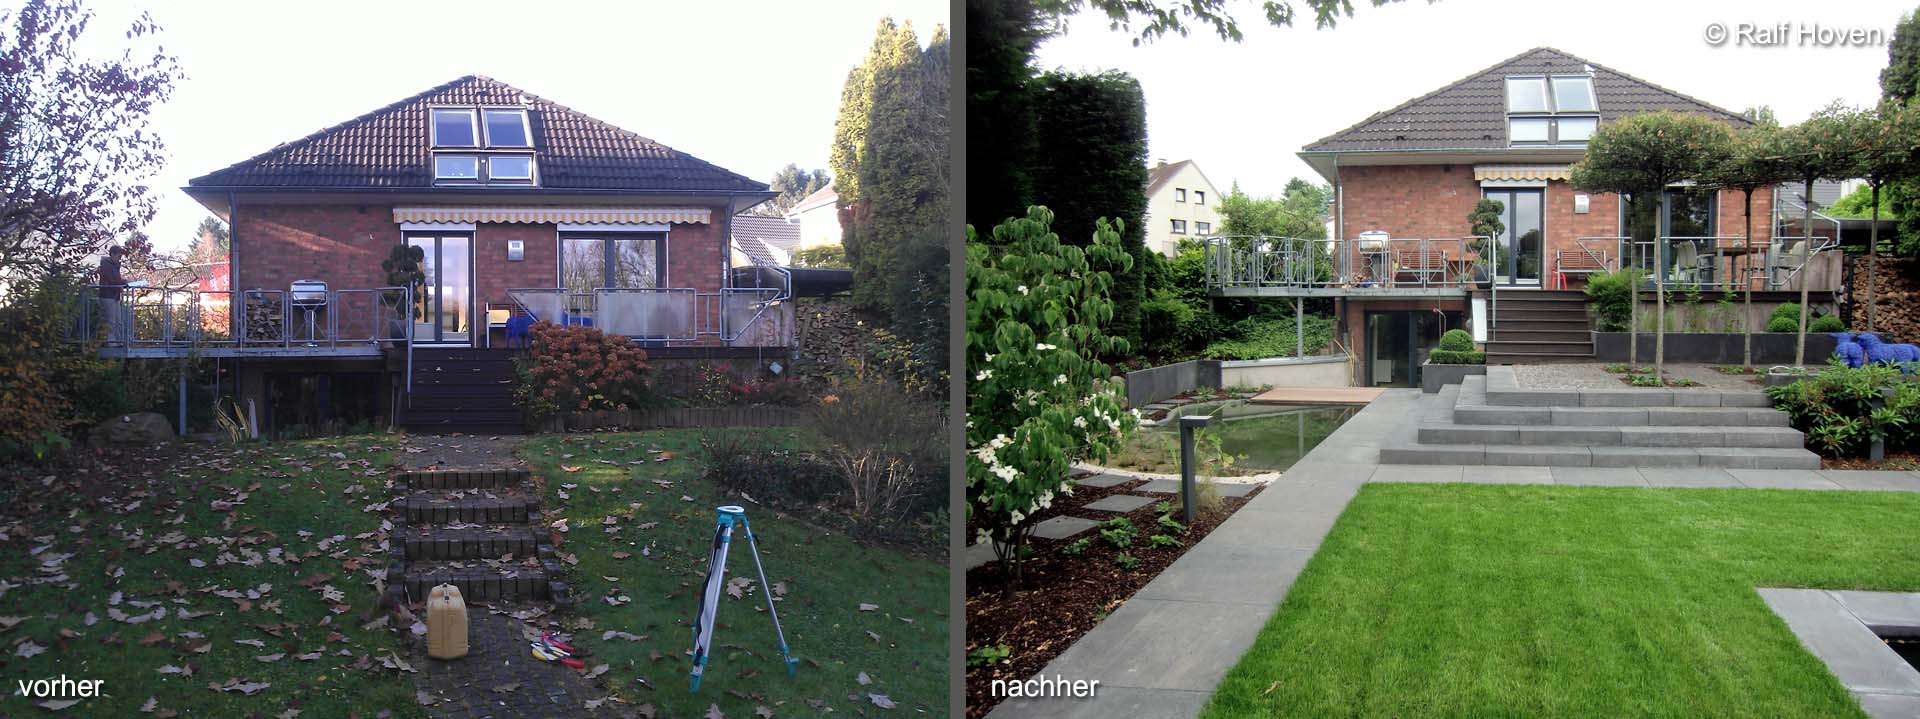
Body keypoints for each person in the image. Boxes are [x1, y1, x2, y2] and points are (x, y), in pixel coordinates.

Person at [97, 246, 127, 344]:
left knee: (118, 321)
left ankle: (118, 341)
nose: (120, 258)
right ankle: (111, 342)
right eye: (119, 256)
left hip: (115, 295)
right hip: (107, 295)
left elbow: (116, 279)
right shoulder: (106, 265)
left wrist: (124, 283)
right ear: (112, 254)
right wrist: (122, 283)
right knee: (111, 321)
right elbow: (111, 279)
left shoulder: (115, 265)